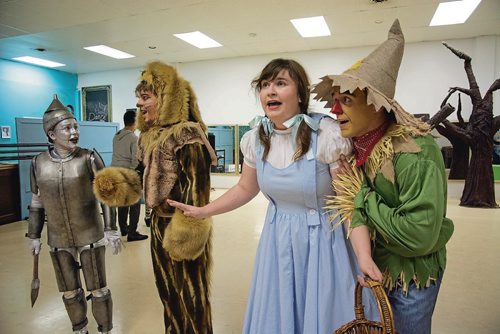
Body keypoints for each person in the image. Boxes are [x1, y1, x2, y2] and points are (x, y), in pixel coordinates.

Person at [167, 58, 380, 333]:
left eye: (280, 83)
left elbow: (350, 202)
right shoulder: (257, 138)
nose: (270, 91)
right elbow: (246, 188)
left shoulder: (326, 134)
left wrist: (363, 255)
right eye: (265, 85)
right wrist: (204, 211)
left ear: (300, 94)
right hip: (278, 241)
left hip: (325, 241)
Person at [312, 19, 454, 334]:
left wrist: (362, 195)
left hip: (411, 279)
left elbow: (418, 236)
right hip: (374, 272)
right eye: (335, 101)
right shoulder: (356, 149)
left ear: (376, 106)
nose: (335, 110)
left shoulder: (415, 152)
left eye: (346, 100)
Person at [93, 61, 217, 333]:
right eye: (139, 97)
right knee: (168, 295)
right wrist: (116, 185)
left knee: (190, 297)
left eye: (146, 97)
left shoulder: (188, 136)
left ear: (166, 99)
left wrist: (186, 233)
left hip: (183, 228)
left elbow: (197, 194)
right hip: (159, 226)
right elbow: (142, 180)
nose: (139, 103)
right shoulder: (148, 138)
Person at [26, 95, 122, 334]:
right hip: (58, 239)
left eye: (75, 127)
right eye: (67, 128)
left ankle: (106, 329)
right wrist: (34, 235)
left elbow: (106, 195)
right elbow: (36, 202)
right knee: (70, 292)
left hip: (90, 235)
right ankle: (80, 329)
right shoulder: (38, 163)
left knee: (98, 289)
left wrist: (111, 229)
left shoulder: (88, 158)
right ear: (51, 134)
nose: (74, 132)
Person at [111, 109, 148, 241]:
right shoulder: (134, 138)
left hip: (116, 172)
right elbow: (135, 159)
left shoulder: (117, 135)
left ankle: (123, 228)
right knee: (135, 203)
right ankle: (132, 232)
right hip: (127, 173)